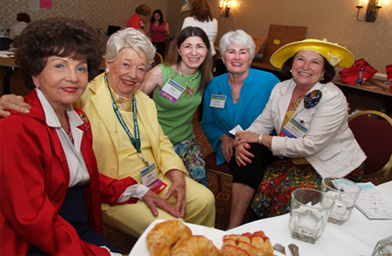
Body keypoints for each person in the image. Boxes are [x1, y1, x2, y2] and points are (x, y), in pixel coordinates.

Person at [0, 28, 215, 238]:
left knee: (205, 200)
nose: (133, 75)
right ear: (108, 63)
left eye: (141, 68)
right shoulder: (82, 96)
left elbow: (162, 141)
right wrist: (10, 100)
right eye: (125, 65)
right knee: (171, 229)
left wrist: (176, 172)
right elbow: (47, 98)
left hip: (153, 178)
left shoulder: (144, 101)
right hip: (112, 190)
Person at [0, 17, 140, 255]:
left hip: (75, 227)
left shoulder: (79, 120)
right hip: (35, 240)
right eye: (59, 65)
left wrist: (137, 190)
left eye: (81, 67)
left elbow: (77, 177)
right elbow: (31, 219)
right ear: (35, 74)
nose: (73, 77)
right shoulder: (16, 127)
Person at [233, 39, 366, 221]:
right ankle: (244, 227)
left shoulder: (333, 97)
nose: (306, 66)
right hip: (295, 159)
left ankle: (281, 236)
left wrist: (258, 138)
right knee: (252, 156)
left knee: (289, 191)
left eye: (315, 62)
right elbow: (263, 122)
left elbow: (310, 146)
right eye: (300, 59)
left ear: (324, 71)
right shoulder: (281, 88)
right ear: (291, 64)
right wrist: (243, 140)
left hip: (330, 166)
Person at [201, 29, 280, 229]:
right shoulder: (214, 86)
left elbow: (292, 100)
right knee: (245, 154)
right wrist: (223, 138)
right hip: (226, 145)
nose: (237, 57)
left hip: (263, 144)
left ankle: (233, 227)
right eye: (231, 51)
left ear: (251, 56)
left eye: (243, 52)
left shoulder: (269, 81)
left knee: (249, 151)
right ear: (222, 56)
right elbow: (207, 123)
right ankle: (244, 220)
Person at [140, 26, 213, 187]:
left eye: (199, 46)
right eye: (187, 46)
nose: (194, 52)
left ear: (207, 50)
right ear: (179, 50)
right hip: (156, 140)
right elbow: (132, 102)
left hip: (185, 139)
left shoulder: (205, 78)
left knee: (199, 181)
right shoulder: (161, 73)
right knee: (160, 187)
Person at [182, 0, 218, 65]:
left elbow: (182, 39)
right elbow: (213, 39)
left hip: (194, 55)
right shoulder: (214, 21)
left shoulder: (188, 20)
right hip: (210, 54)